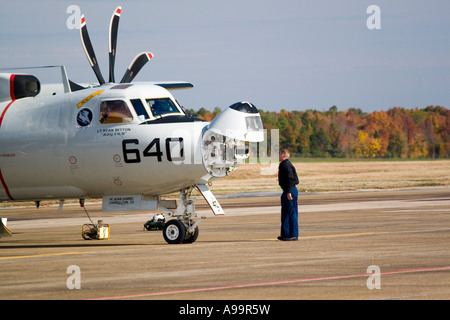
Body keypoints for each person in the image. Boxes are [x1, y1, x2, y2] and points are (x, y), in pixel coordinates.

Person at [278, 149, 299, 241]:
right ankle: (285, 234)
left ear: (283, 155)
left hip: (290, 190)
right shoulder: (283, 165)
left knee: (291, 213)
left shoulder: (286, 165)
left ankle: (293, 234)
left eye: (279, 154)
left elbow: (290, 178)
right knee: (285, 213)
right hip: (287, 190)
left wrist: (289, 192)